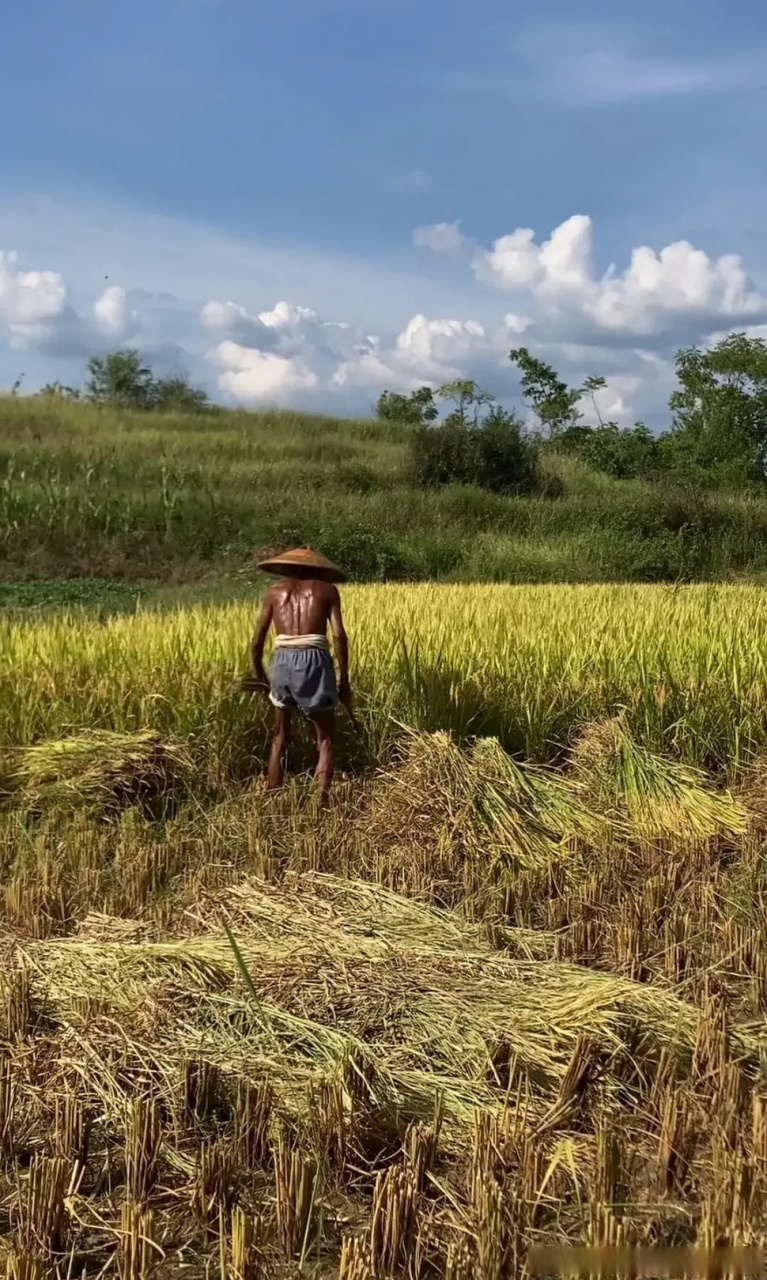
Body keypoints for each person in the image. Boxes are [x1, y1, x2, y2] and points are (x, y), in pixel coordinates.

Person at [250, 546, 351, 802]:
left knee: (279, 735)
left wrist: (260, 672)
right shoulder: (327, 590)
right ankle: (321, 800)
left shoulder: (274, 593)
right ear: (318, 568)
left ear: (288, 567)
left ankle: (272, 794)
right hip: (313, 660)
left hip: (281, 662)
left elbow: (257, 640)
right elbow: (338, 634)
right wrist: (344, 678)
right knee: (326, 736)